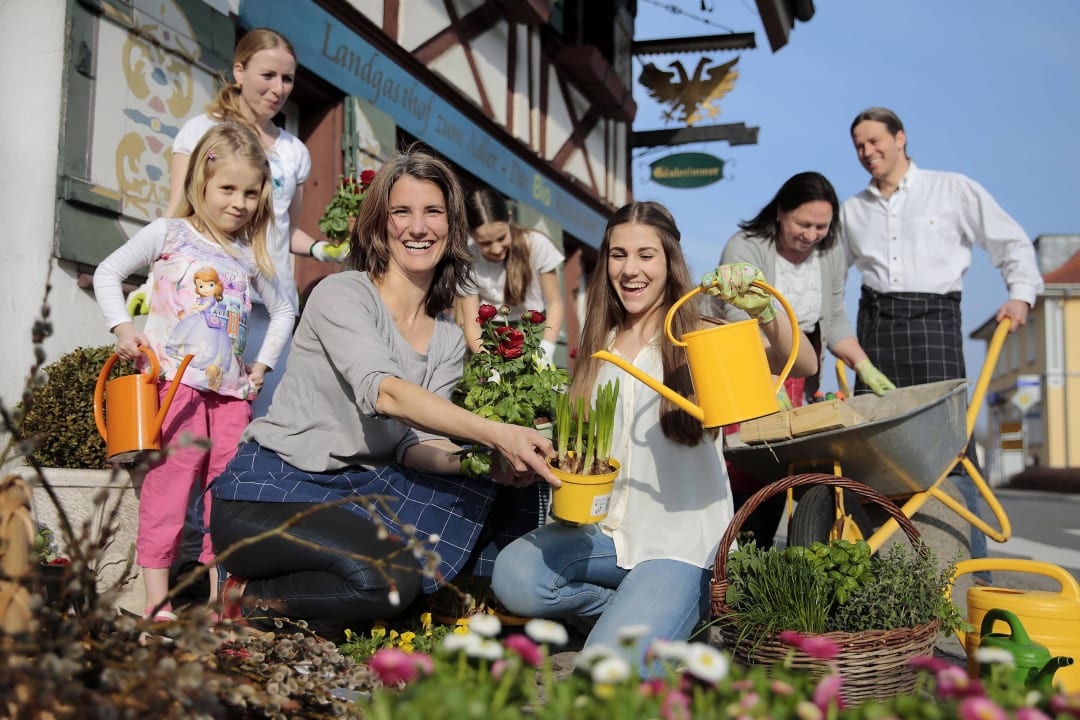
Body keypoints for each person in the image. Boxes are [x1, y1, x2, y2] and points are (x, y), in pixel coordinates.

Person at [208, 146, 560, 639]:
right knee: (388, 582)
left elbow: (415, 446)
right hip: (268, 494)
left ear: (452, 228)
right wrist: (495, 432)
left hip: (353, 495)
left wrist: (485, 463)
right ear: (379, 224)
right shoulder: (342, 294)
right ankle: (243, 599)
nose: (418, 227)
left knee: (468, 497)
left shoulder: (447, 338)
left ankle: (453, 600)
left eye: (433, 212)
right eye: (402, 212)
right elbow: (386, 394)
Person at [490, 201, 817, 674]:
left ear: (669, 261)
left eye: (646, 255)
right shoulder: (598, 345)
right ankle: (639, 614)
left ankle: (665, 612)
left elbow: (802, 363)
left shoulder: (698, 334)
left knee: (607, 673)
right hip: (604, 536)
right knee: (514, 576)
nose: (631, 269)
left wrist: (763, 308)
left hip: (680, 548)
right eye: (618, 255)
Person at [93, 122, 295, 620]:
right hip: (173, 390)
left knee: (224, 500)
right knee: (168, 491)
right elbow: (108, 272)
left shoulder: (248, 254)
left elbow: (285, 310)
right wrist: (123, 328)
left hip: (231, 397)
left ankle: (219, 600)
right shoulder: (169, 233)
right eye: (228, 188)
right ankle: (156, 600)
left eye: (251, 193)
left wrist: (262, 367)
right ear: (201, 182)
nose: (239, 203)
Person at [841, 106, 1044, 572]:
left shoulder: (952, 189)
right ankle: (878, 575)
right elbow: (830, 277)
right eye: (859, 146)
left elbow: (1009, 242)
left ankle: (977, 574)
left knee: (954, 451)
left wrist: (1020, 296)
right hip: (876, 331)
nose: (867, 152)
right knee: (875, 451)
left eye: (874, 141)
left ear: (900, 138)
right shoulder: (852, 210)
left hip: (935, 324)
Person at [715, 171, 893, 547]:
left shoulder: (829, 253)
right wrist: (768, 381)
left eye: (821, 227)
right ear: (781, 212)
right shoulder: (745, 247)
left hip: (797, 373)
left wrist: (864, 365)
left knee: (782, 468)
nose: (812, 235)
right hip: (747, 368)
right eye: (803, 224)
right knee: (747, 466)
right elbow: (738, 322)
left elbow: (835, 319)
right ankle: (729, 553)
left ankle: (764, 557)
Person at [455, 188, 565, 362]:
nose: (496, 249)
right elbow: (471, 322)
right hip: (488, 335)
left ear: (509, 218)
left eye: (501, 238)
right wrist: (486, 361)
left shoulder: (537, 245)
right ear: (471, 235)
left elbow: (555, 304)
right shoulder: (466, 259)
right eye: (485, 243)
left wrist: (547, 347)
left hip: (533, 331)